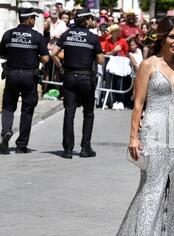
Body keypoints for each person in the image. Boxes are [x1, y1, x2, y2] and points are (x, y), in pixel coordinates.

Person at [102, 16, 174, 236]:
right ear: (161, 36)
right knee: (151, 192)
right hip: (153, 133)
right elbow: (138, 104)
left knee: (169, 195)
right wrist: (133, 137)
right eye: (171, 36)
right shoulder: (148, 65)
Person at [50, 8, 104, 159]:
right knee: (88, 113)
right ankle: (85, 148)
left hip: (69, 77)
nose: (92, 21)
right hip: (86, 78)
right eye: (90, 18)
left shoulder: (66, 34)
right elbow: (100, 60)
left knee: (69, 113)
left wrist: (60, 66)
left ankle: (68, 150)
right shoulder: (92, 38)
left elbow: (53, 53)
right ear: (86, 20)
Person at [0, 8, 49, 154]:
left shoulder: (8, 34)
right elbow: (46, 58)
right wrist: (33, 56)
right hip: (29, 76)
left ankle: (6, 131)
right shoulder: (37, 36)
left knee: (8, 107)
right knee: (27, 110)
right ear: (29, 19)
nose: (35, 20)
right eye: (34, 17)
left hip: (12, 74)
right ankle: (21, 145)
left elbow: (2, 54)